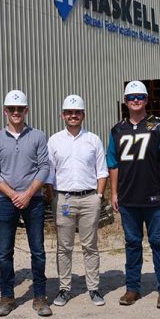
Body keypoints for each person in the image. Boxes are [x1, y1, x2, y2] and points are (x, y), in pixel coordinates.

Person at [107, 80, 160, 310]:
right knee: (132, 243)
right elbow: (113, 163)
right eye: (131, 97)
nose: (135, 100)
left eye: (140, 97)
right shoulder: (117, 129)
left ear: (147, 100)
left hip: (155, 198)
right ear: (125, 102)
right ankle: (132, 288)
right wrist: (114, 193)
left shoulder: (159, 126)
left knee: (158, 242)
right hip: (128, 199)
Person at [0, 90, 52, 317]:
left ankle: (40, 296)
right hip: (6, 201)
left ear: (26, 110)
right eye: (12, 109)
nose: (16, 113)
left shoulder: (38, 136)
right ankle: (7, 296)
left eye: (20, 109)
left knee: (38, 250)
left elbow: (44, 167)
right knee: (5, 251)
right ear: (5, 111)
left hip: (33, 200)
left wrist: (27, 193)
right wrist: (13, 193)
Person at [47, 95, 108, 307]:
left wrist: (99, 197)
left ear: (83, 115)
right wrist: (53, 197)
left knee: (90, 245)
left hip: (89, 198)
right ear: (62, 115)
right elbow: (49, 173)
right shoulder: (54, 140)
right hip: (64, 199)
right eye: (69, 112)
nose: (73, 116)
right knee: (64, 247)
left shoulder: (94, 140)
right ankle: (64, 289)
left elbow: (102, 171)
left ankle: (94, 288)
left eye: (77, 112)